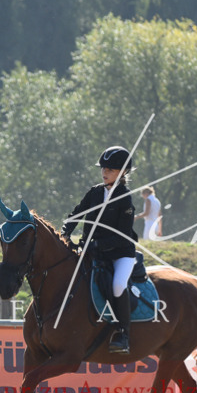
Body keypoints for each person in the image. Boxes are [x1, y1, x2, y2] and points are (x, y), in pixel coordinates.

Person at [61, 146, 138, 354]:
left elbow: (122, 235)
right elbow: (77, 213)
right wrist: (66, 230)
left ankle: (123, 334)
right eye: (103, 168)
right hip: (93, 252)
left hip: (120, 254)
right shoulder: (95, 192)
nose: (105, 173)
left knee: (118, 285)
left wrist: (95, 245)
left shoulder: (124, 197)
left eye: (110, 170)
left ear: (122, 173)